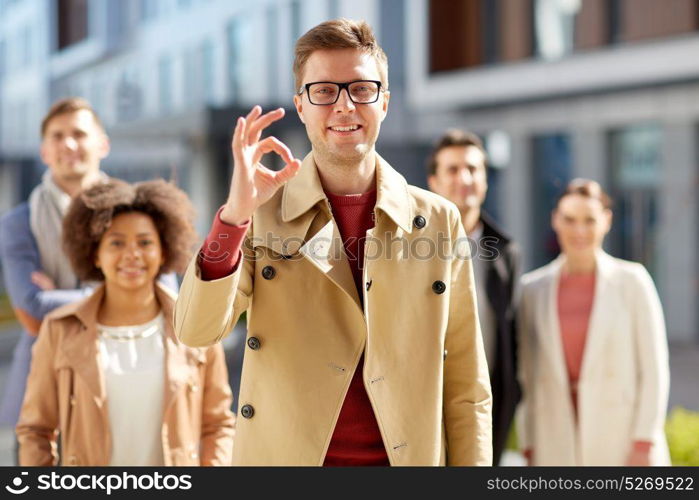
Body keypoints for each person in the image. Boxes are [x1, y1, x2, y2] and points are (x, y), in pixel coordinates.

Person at [174, 18, 492, 466]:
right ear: (301, 106)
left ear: (385, 102)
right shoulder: (261, 214)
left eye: (362, 89)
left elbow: (466, 381)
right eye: (324, 91)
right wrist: (235, 217)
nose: (344, 107)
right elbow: (196, 331)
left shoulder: (437, 220)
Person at [16, 180, 235, 466]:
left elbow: (218, 425)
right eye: (116, 242)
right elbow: (35, 430)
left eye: (145, 242)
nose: (132, 254)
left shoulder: (196, 326)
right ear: (95, 252)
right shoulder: (59, 329)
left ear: (164, 251)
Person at [517, 179, 670, 466]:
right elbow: (527, 375)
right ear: (555, 220)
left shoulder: (633, 282)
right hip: (554, 440)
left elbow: (654, 369)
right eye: (570, 220)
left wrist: (644, 442)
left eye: (589, 220)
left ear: (607, 221)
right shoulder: (532, 289)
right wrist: (528, 443)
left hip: (623, 438)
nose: (580, 230)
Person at [0, 98, 111, 459]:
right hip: (42, 398)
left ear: (102, 144)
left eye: (79, 134)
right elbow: (31, 311)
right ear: (44, 151)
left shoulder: (137, 214)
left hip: (119, 384)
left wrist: (60, 297)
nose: (68, 144)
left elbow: (162, 299)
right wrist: (116, 295)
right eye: (57, 136)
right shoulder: (19, 222)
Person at [427, 130, 520, 465]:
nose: (463, 178)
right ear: (434, 181)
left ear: (485, 179)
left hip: (484, 413)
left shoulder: (506, 252)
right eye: (452, 169)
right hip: (424, 411)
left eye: (472, 168)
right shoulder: (405, 247)